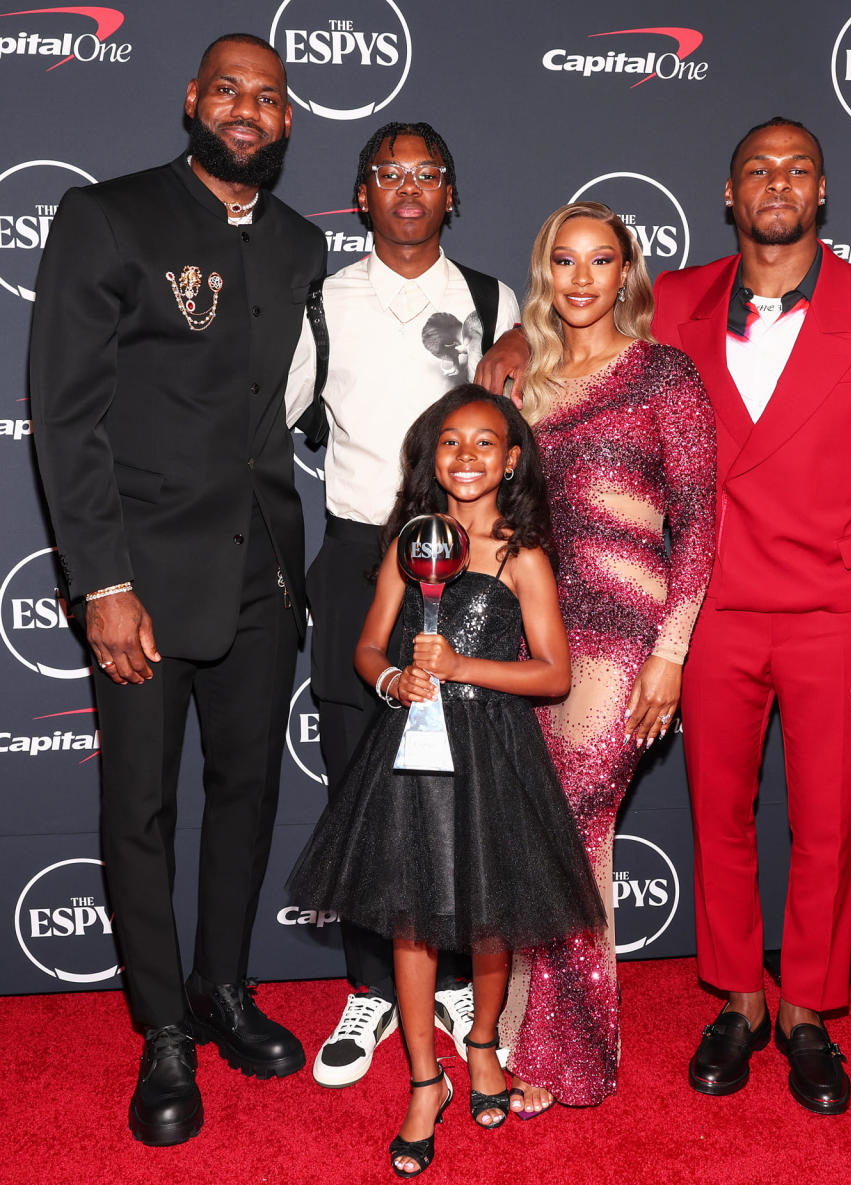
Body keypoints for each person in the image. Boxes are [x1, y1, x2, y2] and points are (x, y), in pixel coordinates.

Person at [30, 34, 328, 1145]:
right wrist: (100, 582)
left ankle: (221, 988)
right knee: (141, 811)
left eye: (269, 98)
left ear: (289, 121)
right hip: (142, 582)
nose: (248, 111)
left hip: (261, 574)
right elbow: (64, 418)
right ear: (193, 102)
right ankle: (162, 1028)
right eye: (229, 93)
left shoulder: (301, 245)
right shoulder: (108, 217)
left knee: (246, 800)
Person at [650, 117, 851, 1114]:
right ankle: (740, 999)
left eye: (797, 170)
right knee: (719, 819)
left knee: (828, 827)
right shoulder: (675, 301)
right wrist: (516, 339)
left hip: (836, 610)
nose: (777, 183)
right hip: (717, 609)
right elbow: (583, 343)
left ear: (823, 193)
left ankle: (808, 1011)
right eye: (757, 171)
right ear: (729, 196)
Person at [288, 386, 606, 1176]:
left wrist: (464, 668)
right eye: (450, 443)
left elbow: (555, 673)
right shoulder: (409, 540)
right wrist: (395, 679)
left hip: (494, 751)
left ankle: (485, 1045)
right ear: (432, 456)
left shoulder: (522, 551)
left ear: (513, 458)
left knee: (494, 914)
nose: (467, 458)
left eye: (485, 443)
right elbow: (366, 648)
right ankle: (425, 1082)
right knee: (412, 919)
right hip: (412, 754)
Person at [284, 122, 520, 1088]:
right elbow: (278, 420)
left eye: (429, 174)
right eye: (391, 174)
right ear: (363, 194)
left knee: (464, 782)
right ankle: (373, 986)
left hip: (467, 571)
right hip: (357, 558)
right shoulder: (324, 300)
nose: (411, 188)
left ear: (452, 194)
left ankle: (459, 975)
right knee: (358, 781)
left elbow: (521, 434)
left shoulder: (492, 297)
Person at [498, 203, 716, 1112]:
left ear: (627, 272)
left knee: (572, 824)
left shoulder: (664, 372)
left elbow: (701, 518)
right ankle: (516, 1027)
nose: (582, 278)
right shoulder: (525, 381)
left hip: (626, 635)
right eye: (564, 261)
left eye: (601, 261)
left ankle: (570, 1056)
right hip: (532, 630)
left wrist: (672, 651)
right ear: (546, 271)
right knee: (535, 829)